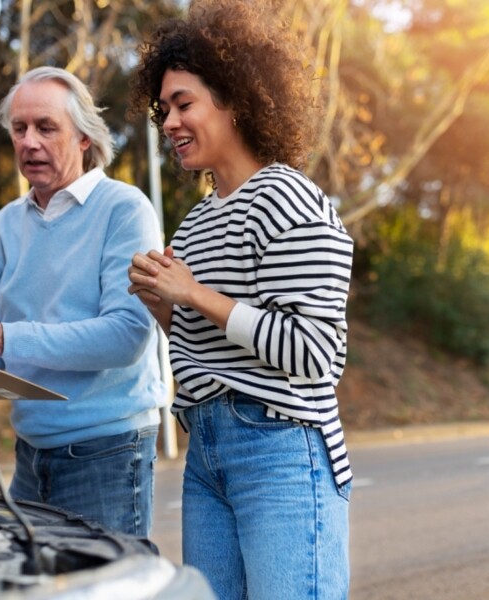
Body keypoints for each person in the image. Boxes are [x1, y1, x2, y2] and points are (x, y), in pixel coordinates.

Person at [127, 1, 353, 598]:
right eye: (164, 109)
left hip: (278, 450)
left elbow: (314, 353)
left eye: (184, 104)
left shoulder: (288, 197)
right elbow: (211, 347)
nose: (169, 123)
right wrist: (166, 309)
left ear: (234, 100)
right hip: (206, 454)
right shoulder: (196, 223)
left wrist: (194, 294)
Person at [0, 66, 166, 538]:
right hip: (30, 454)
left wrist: (1, 337)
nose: (29, 141)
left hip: (108, 451)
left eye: (45, 127)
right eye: (19, 128)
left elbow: (126, 337)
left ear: (84, 139)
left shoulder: (125, 209)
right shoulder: (3, 226)